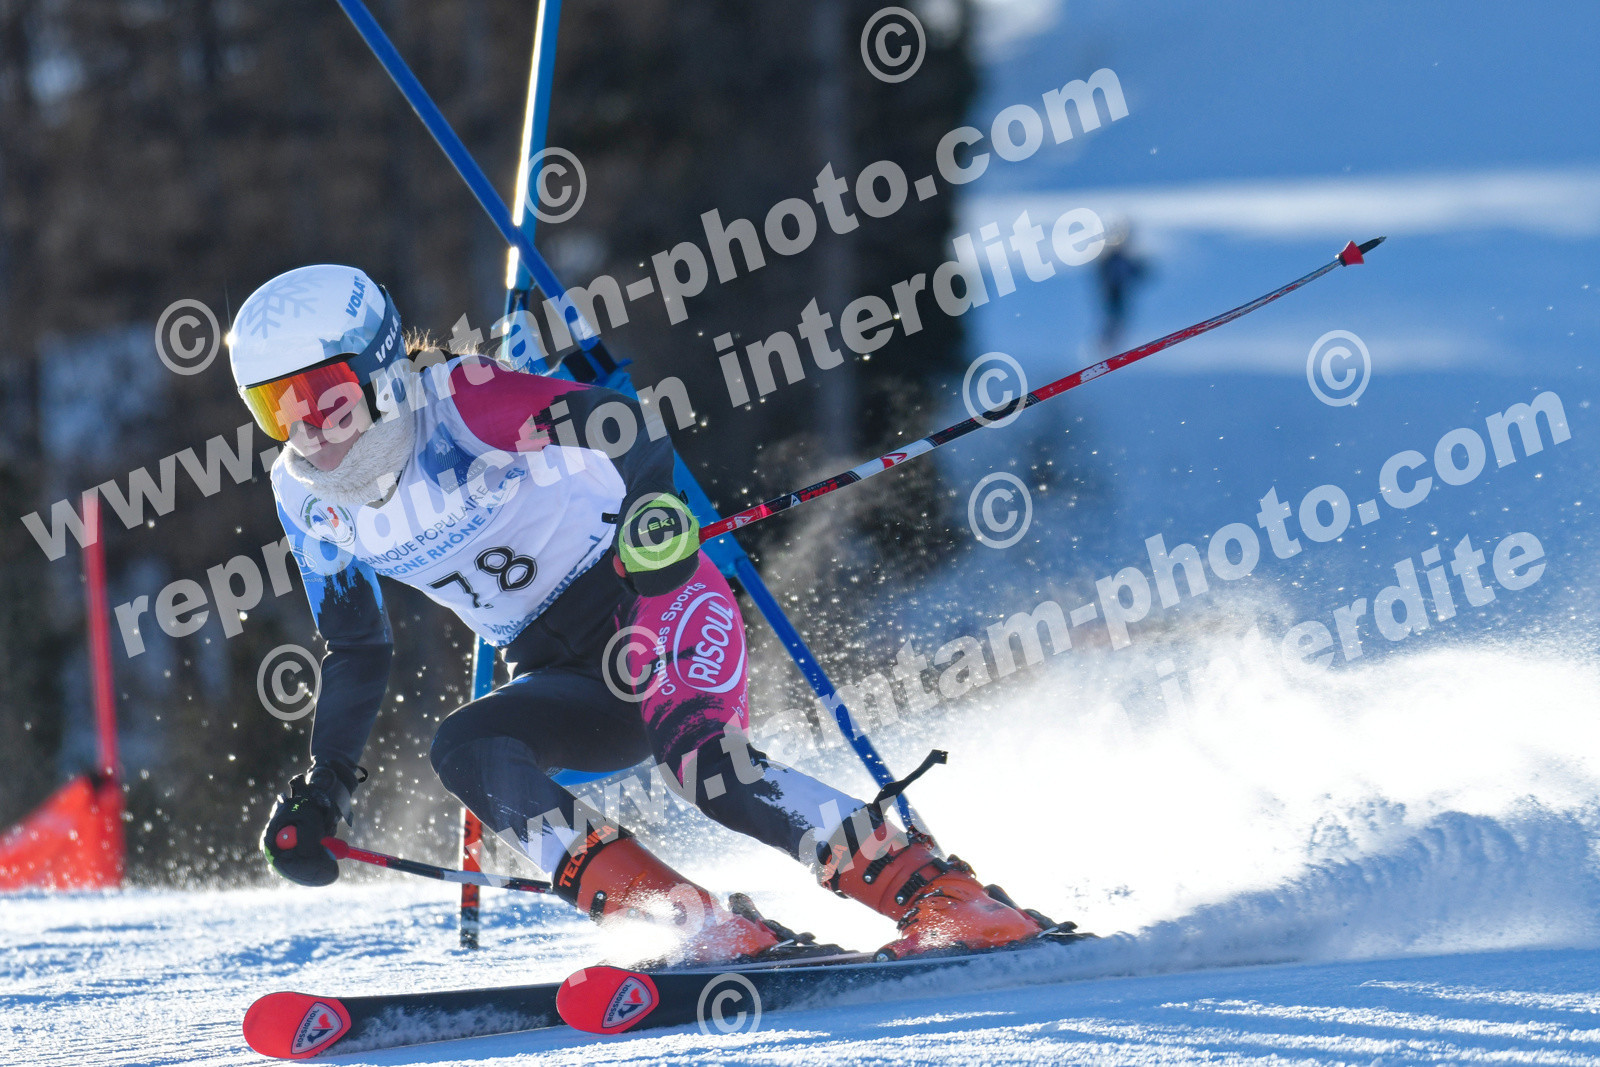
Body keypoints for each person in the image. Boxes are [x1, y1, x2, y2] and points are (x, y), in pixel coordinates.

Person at [235, 263, 1053, 962]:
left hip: (652, 592)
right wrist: (327, 783)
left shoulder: (459, 402)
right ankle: (693, 928)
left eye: (325, 393)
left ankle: (947, 897)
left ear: (379, 366)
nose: (310, 429)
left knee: (705, 765)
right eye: (277, 408)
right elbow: (356, 645)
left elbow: (621, 424)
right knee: (467, 746)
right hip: (563, 671)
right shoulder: (304, 498)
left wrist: (653, 514)